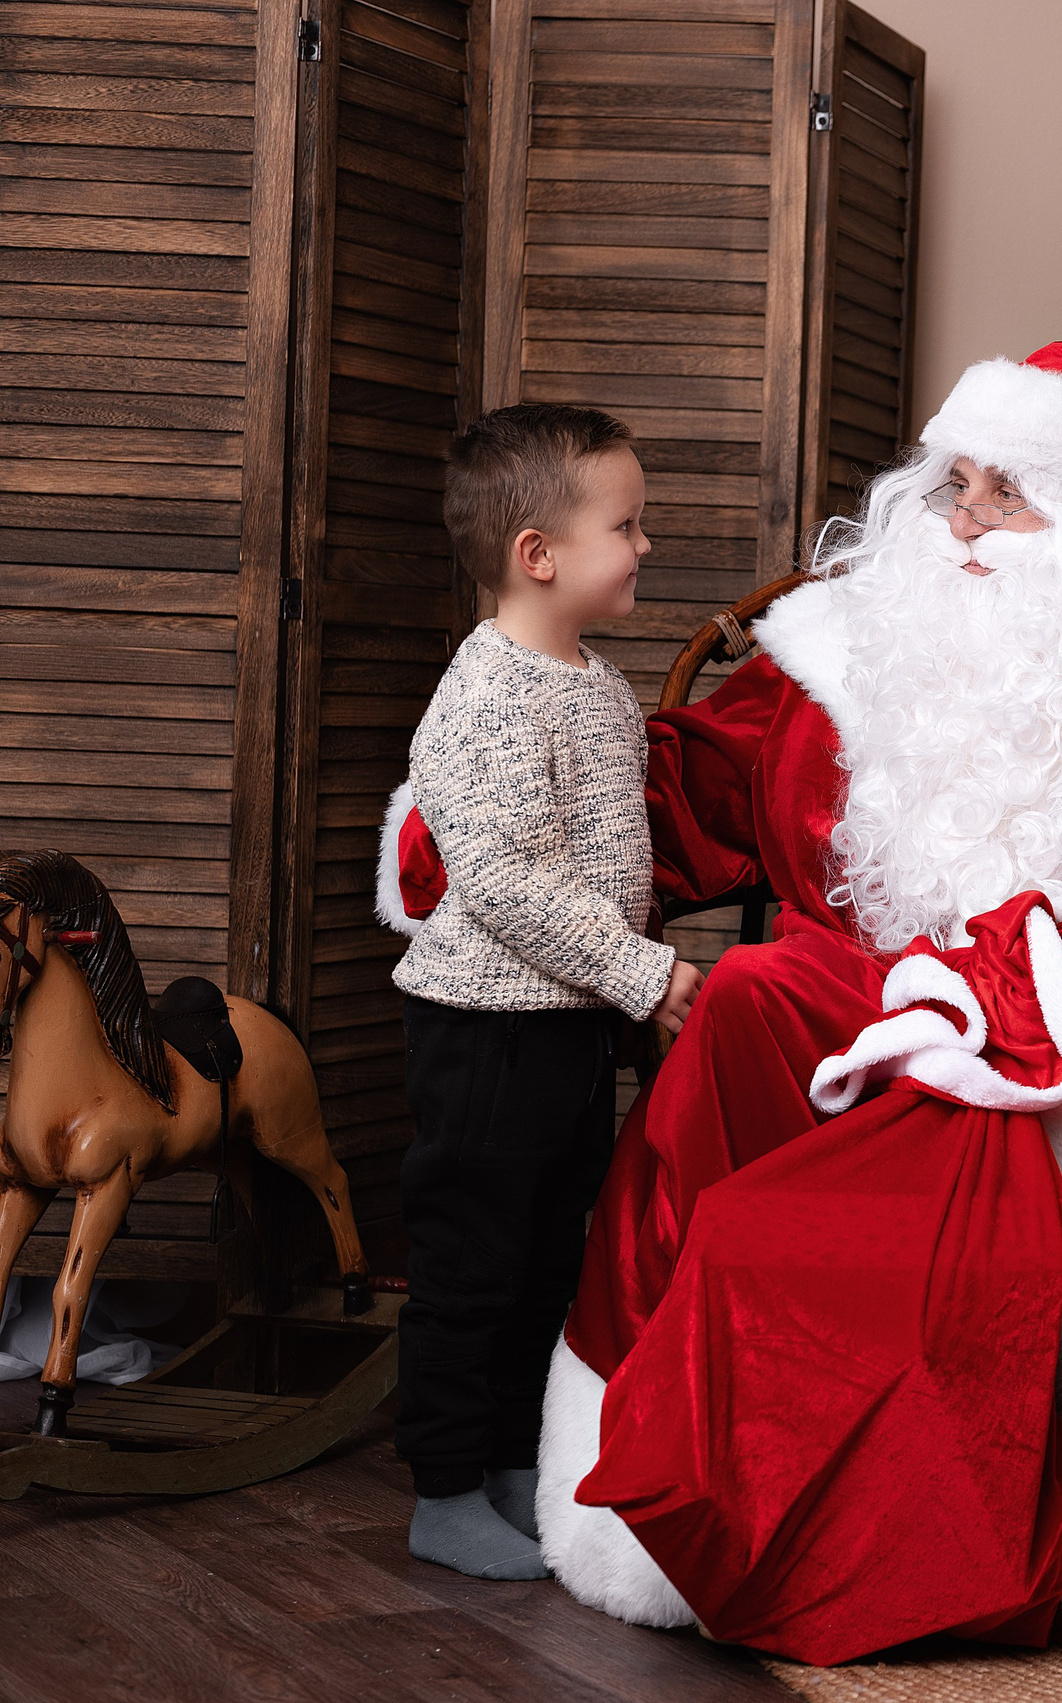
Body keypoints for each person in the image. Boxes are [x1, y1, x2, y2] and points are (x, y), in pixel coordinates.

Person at [503, 343, 1062, 1671]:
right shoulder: (848, 641)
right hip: (872, 1002)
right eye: (958, 484)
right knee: (755, 987)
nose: (969, 520)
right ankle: (670, 1486)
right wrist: (504, 815)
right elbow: (685, 795)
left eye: (1013, 492)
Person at [382, 404, 703, 1582]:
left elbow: (607, 856)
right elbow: (508, 879)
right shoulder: (489, 695)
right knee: (472, 1259)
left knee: (545, 1253)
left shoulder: (597, 686)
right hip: (484, 1029)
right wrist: (642, 973)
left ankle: (516, 1458)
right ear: (539, 554)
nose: (646, 544)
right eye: (627, 525)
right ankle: (445, 1486)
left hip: (564, 1027)